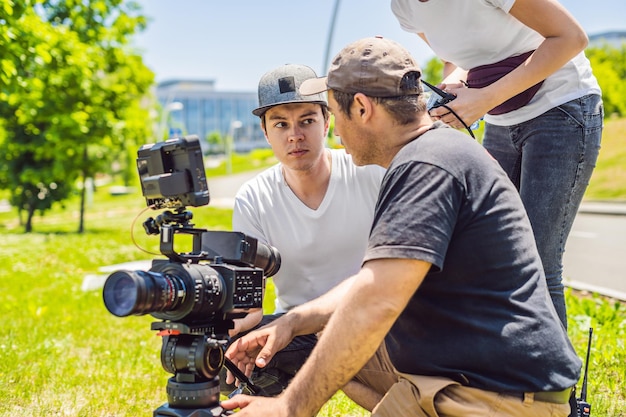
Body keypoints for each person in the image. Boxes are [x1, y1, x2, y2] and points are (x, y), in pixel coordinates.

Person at [221, 36, 582, 417]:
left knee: (347, 333)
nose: (335, 133)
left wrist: (288, 408)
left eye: (331, 115)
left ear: (360, 108)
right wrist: (293, 321)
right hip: (476, 374)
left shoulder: (427, 167)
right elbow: (368, 289)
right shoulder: (430, 153)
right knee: (329, 338)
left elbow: (376, 301)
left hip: (496, 397)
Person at [390, 0, 604, 328]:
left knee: (536, 261)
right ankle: (508, 369)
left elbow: (570, 38)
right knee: (495, 252)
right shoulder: (404, 6)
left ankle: (555, 379)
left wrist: (485, 99)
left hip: (561, 107)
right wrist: (456, 86)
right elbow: (456, 58)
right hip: (501, 121)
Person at [221, 63, 391, 408]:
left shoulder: (369, 172)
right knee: (221, 352)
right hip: (297, 329)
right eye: (280, 124)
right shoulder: (254, 197)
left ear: (327, 121)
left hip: (376, 320)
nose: (294, 135)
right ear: (265, 132)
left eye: (307, 121)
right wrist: (225, 331)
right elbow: (251, 306)